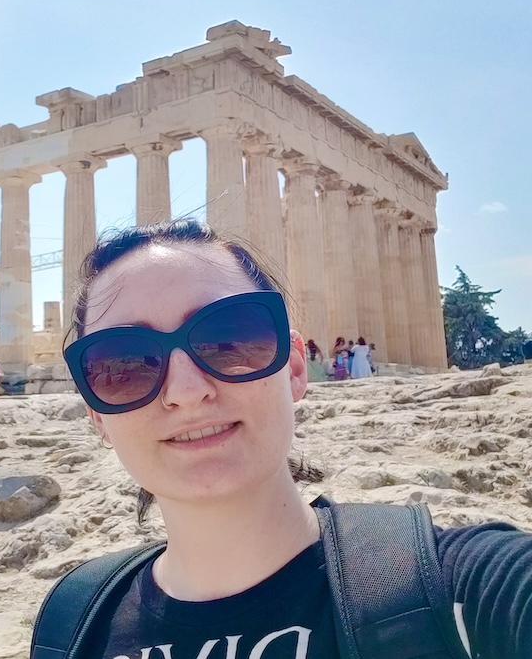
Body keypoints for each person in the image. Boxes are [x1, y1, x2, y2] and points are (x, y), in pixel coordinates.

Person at [34, 220, 532, 657]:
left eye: (227, 337)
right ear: (94, 413)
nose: (186, 392)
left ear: (294, 368)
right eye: (123, 363)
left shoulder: (463, 588)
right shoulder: (73, 624)